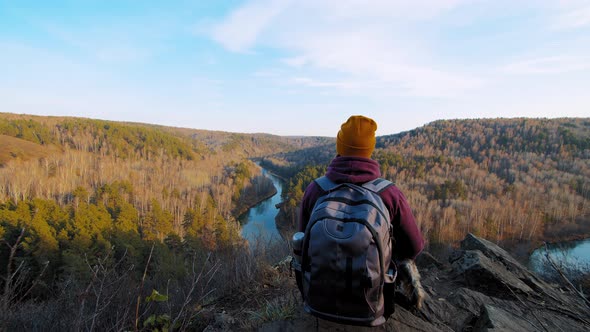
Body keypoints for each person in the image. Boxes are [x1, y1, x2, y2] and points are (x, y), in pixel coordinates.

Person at [296, 115, 425, 318]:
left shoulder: (316, 189)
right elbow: (414, 247)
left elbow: (302, 241)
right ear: (369, 151)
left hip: (318, 299)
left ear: (340, 147)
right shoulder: (388, 193)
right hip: (372, 301)